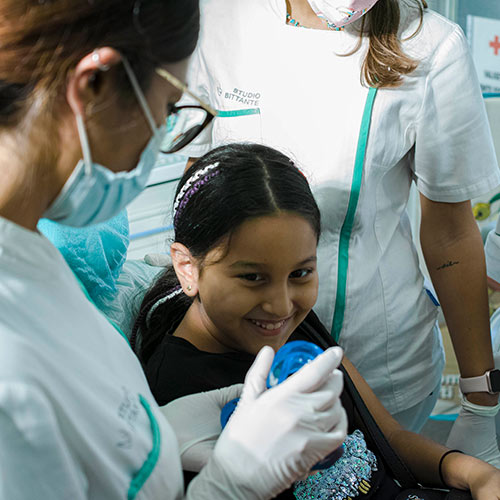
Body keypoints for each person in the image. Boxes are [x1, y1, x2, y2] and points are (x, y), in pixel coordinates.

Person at [0, 1, 348, 498]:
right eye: (166, 110)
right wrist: (230, 486)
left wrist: (162, 432)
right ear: (94, 85)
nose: (162, 136)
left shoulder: (27, 254)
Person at [173, 0, 500, 459]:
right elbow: (198, 188)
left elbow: (450, 235)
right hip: (235, 362)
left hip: (380, 364)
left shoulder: (431, 46)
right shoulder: (219, 19)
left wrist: (480, 399)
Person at [132, 142, 500, 499]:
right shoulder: (177, 393)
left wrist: (473, 472)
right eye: (252, 278)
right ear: (186, 267)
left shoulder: (293, 327)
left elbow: (387, 436)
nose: (280, 306)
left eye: (301, 273)